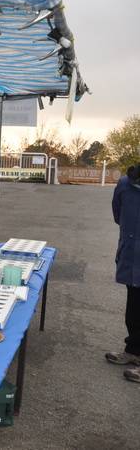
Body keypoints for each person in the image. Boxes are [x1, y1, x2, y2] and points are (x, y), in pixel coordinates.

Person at [106, 163, 140, 383]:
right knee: (134, 309)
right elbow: (118, 216)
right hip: (132, 256)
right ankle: (133, 351)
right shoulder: (125, 184)